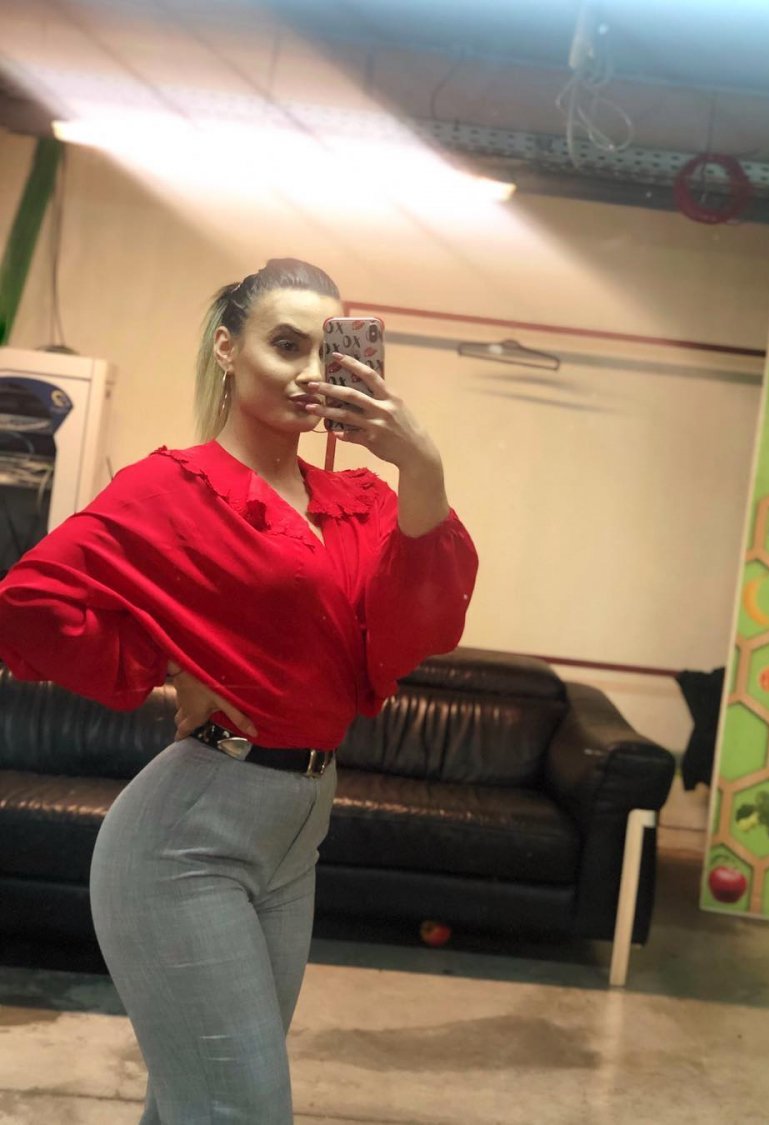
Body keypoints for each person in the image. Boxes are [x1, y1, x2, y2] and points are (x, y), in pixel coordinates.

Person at [0, 257, 478, 1123]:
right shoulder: (173, 488)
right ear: (228, 349)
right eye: (285, 344)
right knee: (239, 1109)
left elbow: (426, 617)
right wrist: (167, 665)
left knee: (195, 1102)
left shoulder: (356, 500)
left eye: (326, 350)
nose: (309, 372)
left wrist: (421, 460)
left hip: (295, 838)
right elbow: (29, 603)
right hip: (185, 840)